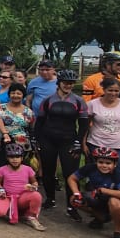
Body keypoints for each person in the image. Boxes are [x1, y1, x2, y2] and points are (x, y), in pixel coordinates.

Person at [34, 69, 88, 211]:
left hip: (68, 141)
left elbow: (83, 125)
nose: (68, 85)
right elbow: (39, 122)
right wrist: (36, 139)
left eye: (71, 83)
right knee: (48, 171)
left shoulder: (79, 101)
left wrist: (78, 142)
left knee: (70, 173)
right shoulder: (48, 100)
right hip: (48, 140)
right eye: (65, 83)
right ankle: (50, 199)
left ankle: (72, 205)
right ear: (59, 83)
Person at [67, 147, 120, 238]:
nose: (104, 165)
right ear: (96, 162)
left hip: (118, 202)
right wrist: (77, 193)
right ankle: (101, 218)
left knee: (115, 202)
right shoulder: (90, 168)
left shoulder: (117, 174)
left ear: (115, 164)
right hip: (99, 198)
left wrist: (104, 190)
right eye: (100, 162)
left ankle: (119, 232)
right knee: (74, 200)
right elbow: (72, 178)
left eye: (108, 163)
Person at [83, 78, 120, 173]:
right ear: (103, 90)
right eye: (110, 90)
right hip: (96, 143)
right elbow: (85, 125)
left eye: (116, 91)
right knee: (95, 171)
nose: (113, 93)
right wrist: (83, 143)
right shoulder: (92, 104)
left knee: (117, 172)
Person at [0, 143, 45, 230]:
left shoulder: (28, 169)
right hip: (7, 196)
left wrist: (33, 187)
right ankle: (10, 210)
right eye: (11, 157)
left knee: (36, 195)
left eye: (17, 157)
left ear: (22, 158)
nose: (15, 159)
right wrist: (0, 189)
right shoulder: (2, 169)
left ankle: (32, 217)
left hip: (22, 198)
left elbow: (35, 182)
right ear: (7, 158)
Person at [0, 83, 35, 150]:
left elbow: (31, 129)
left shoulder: (29, 112)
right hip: (3, 142)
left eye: (18, 93)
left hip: (23, 145)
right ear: (9, 94)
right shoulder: (0, 108)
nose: (15, 95)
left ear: (23, 95)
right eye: (13, 93)